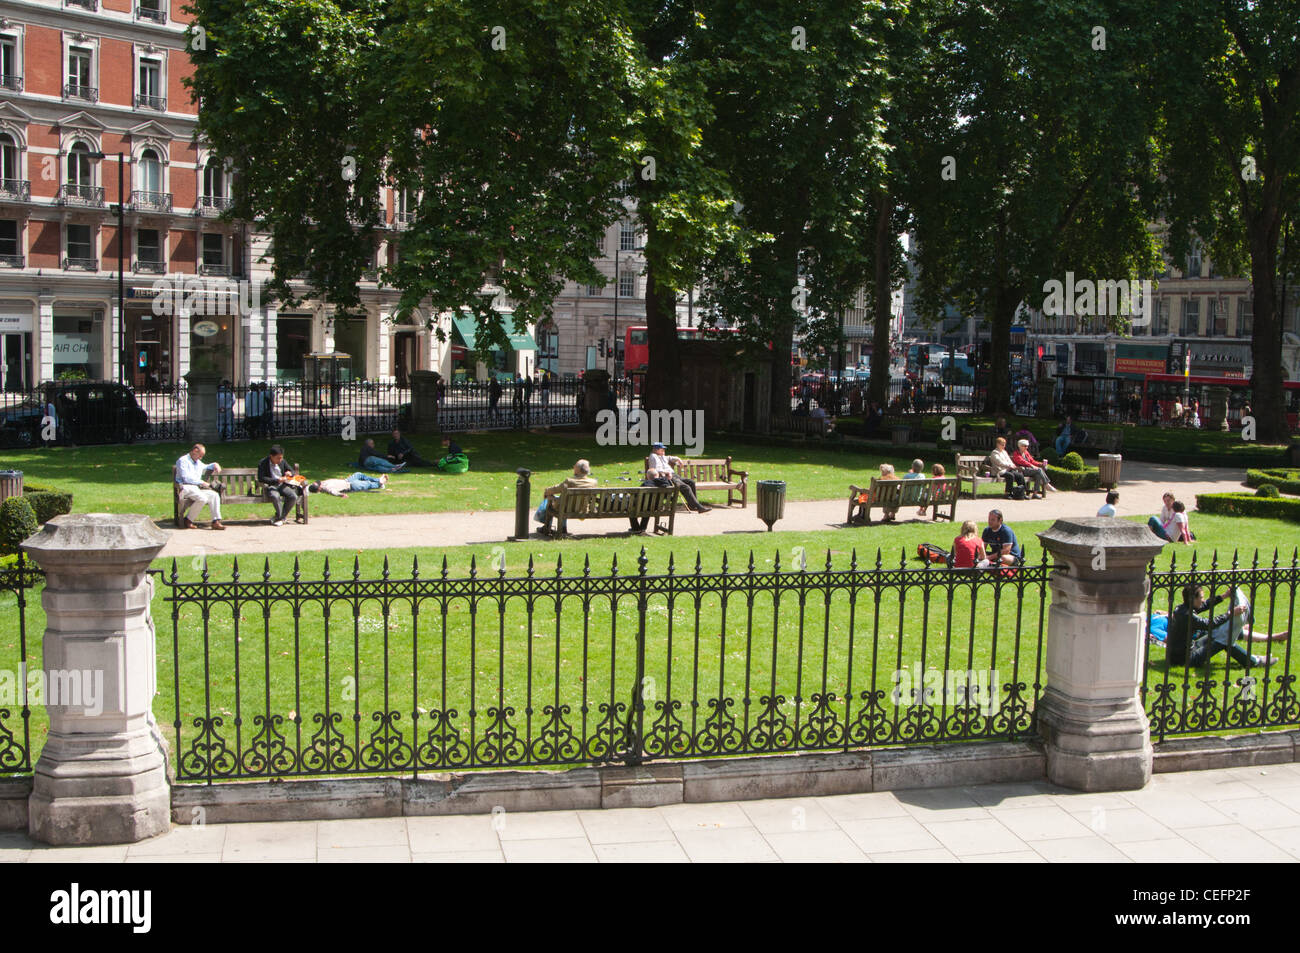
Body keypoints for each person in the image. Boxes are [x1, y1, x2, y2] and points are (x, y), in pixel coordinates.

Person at [1165, 585, 1287, 670]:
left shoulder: (1182, 608)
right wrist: (1230, 613)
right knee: (1224, 639)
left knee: (1221, 635)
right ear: (1192, 599)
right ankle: (1254, 662)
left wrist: (1224, 596)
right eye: (1201, 597)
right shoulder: (1187, 615)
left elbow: (1204, 606)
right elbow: (1209, 624)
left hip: (1186, 651)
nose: (1203, 600)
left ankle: (1254, 659)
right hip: (1186, 660)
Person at [538, 459, 598, 533]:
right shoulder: (593, 482)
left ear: (577, 470)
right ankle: (561, 528)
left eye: (575, 466)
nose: (573, 467)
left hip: (566, 508)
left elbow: (556, 489)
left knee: (551, 499)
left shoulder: (570, 481)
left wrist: (546, 491)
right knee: (564, 501)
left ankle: (547, 526)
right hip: (583, 509)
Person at [646, 442, 710, 512]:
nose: (664, 450)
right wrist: (667, 472)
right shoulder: (653, 457)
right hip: (667, 477)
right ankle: (699, 507)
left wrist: (678, 458)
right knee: (685, 487)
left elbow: (669, 457)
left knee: (691, 482)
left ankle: (692, 506)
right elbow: (655, 470)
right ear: (656, 450)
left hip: (674, 475)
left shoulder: (661, 456)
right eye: (662, 449)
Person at [174, 443, 225, 530]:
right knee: (203, 498)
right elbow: (186, 478)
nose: (200, 458)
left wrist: (215, 464)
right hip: (185, 487)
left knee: (214, 495)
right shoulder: (183, 460)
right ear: (195, 451)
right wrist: (203, 483)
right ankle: (188, 520)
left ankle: (216, 521)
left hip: (195, 488)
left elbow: (206, 466)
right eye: (200, 455)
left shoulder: (197, 462)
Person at [258, 444, 301, 526]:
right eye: (278, 458)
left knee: (293, 496)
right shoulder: (263, 463)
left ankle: (279, 517)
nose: (280, 460)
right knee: (275, 496)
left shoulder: (282, 462)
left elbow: (291, 470)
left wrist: (290, 473)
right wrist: (276, 480)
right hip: (271, 486)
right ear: (271, 456)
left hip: (282, 485)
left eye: (281, 457)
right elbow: (261, 478)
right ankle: (281, 518)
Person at [308, 473, 388, 497]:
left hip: (347, 481)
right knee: (367, 484)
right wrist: (341, 495)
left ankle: (378, 480)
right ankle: (379, 484)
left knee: (359, 474)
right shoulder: (327, 488)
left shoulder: (322, 484)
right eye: (319, 484)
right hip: (351, 486)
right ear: (319, 489)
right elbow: (333, 492)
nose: (320, 482)